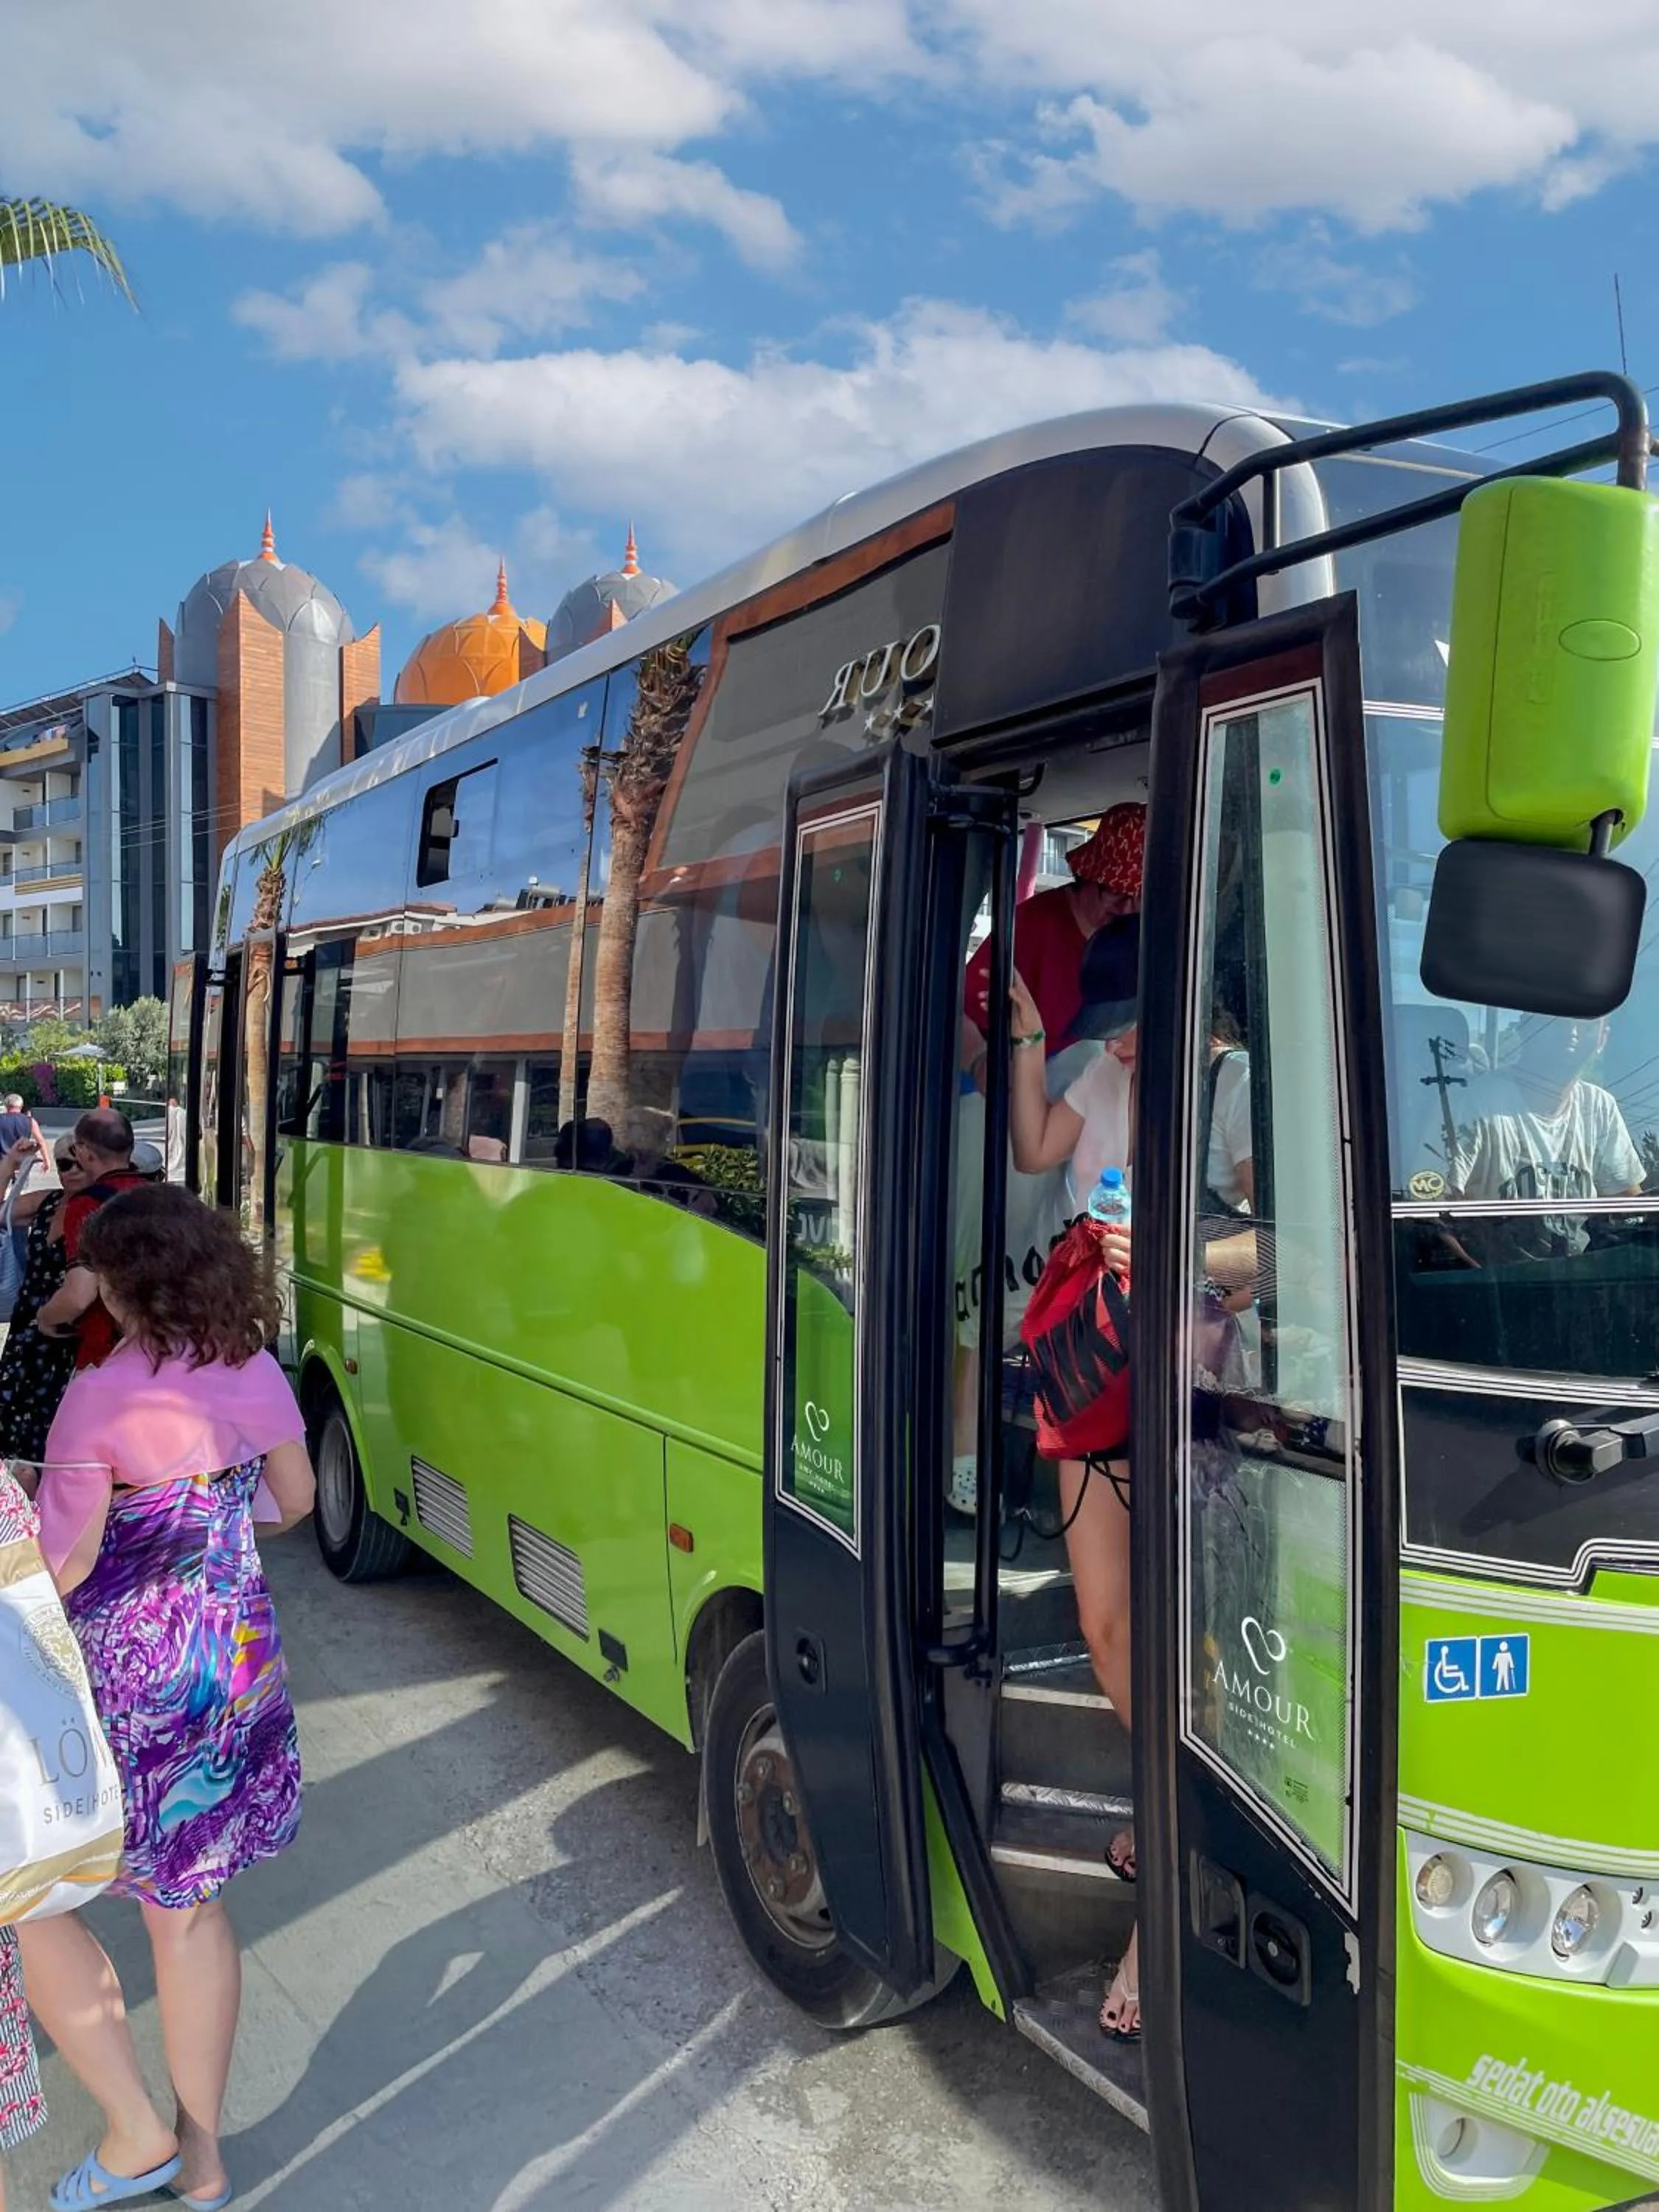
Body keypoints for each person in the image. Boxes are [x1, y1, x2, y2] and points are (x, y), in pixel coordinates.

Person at [19, 1186, 316, 2212]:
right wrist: (210, 1536)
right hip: (231, 1672)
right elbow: (294, 1501)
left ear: (124, 1279)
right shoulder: (253, 1369)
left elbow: (60, 1566)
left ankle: (133, 2132)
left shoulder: (98, 1397)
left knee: (38, 1899)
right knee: (190, 1918)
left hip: (127, 1694)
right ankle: (203, 2163)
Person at [1009, 916, 1141, 2039]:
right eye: (1112, 1024)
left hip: (1196, 1382)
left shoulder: (1242, 1078)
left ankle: (1173, 1833)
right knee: (1105, 1626)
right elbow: (1032, 1153)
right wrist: (1032, 1038)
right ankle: (1167, 1791)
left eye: (1134, 1019)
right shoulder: (1097, 1068)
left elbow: (1277, 1233)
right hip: (1092, 1355)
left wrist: (1185, 1256)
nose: (1125, 1043)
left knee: (1185, 1635)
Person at [1414, 1015, 1644, 1265]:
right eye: (1556, 1021)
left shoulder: (1599, 1107)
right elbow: (1427, 1216)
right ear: (1526, 1028)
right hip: (1494, 1287)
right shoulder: (1472, 1104)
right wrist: (1484, 1284)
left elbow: (1629, 1206)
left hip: (1583, 1286)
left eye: (1586, 1024)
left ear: (1602, 1039)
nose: (1572, 1033)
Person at [0, 1136, 92, 1462]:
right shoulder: (48, 1201)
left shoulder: (101, 1211)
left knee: (57, 1418)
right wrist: (11, 1163)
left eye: (80, 1163)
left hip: (68, 1328)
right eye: (64, 1164)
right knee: (12, 1409)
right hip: (29, 1324)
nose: (72, 1172)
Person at [32, 1110, 146, 1371]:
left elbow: (79, 1295)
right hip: (165, 1346)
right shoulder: (165, 1198)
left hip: (109, 1351)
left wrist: (45, 1317)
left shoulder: (87, 1205)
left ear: (84, 1152)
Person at [0, 1096, 48, 1196]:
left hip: (2, 1163)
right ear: (21, 1106)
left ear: (6, 1106)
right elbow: (41, 1142)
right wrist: (46, 1161)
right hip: (21, 1164)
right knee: (19, 1195)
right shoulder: (30, 1121)